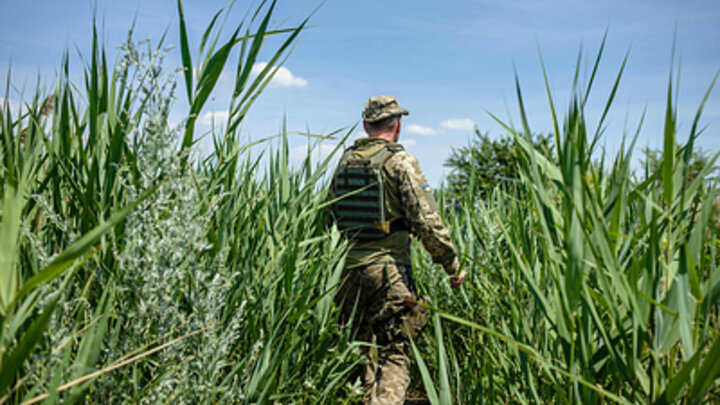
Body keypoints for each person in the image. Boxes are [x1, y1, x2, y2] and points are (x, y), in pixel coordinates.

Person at [330, 95, 466, 404]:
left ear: (366, 125)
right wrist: (451, 264)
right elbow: (427, 220)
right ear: (399, 126)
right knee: (396, 351)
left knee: (359, 350)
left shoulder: (344, 160)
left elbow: (329, 213)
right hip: (389, 273)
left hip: (346, 272)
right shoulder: (400, 160)